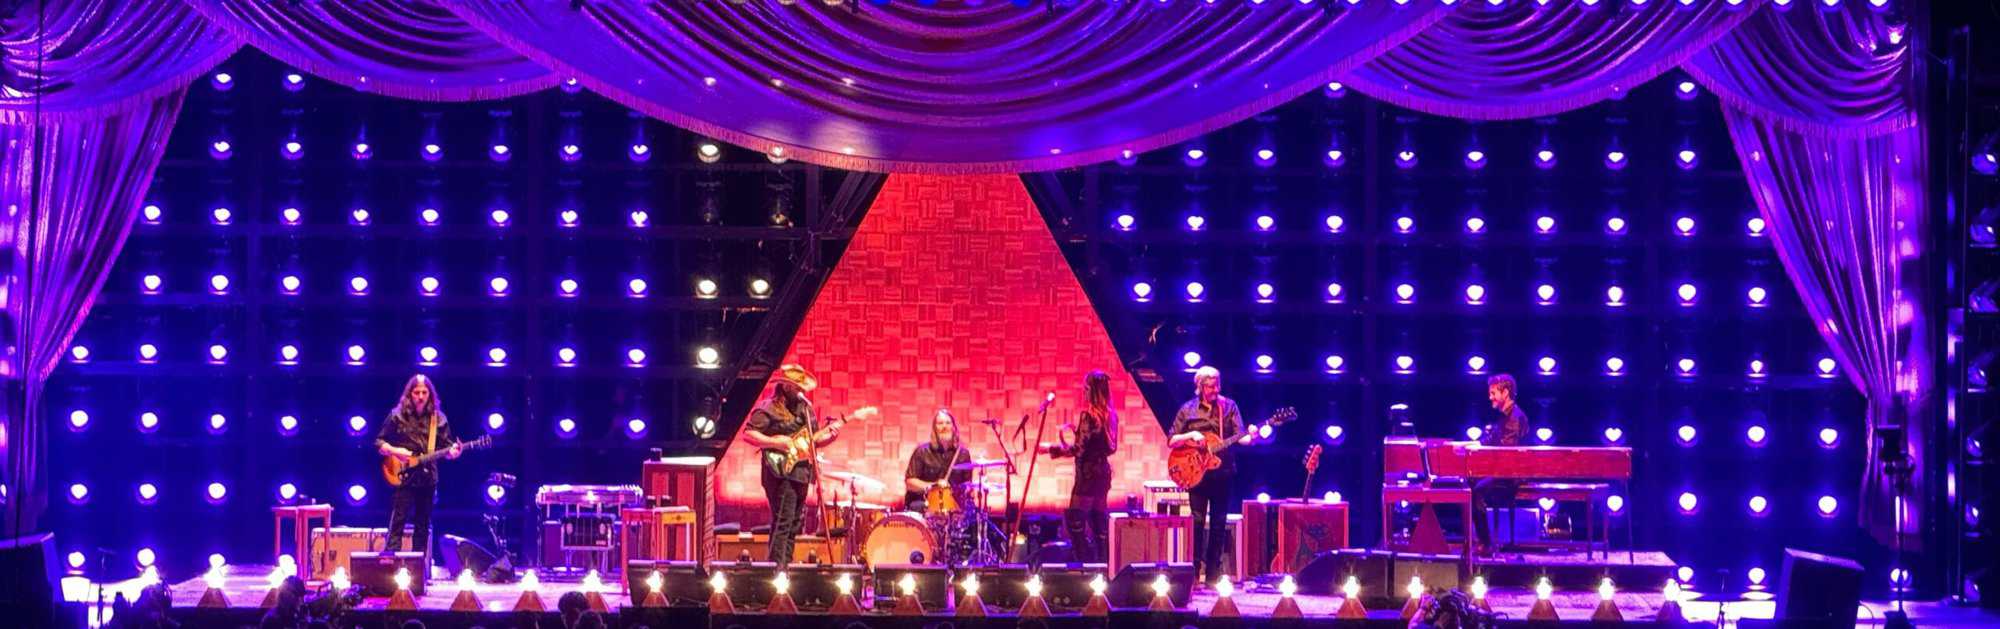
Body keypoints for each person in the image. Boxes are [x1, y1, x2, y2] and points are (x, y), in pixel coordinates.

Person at [742, 364, 874, 564]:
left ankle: (785, 566)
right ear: (786, 387)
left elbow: (814, 441)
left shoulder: (806, 409)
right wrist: (775, 442)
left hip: (802, 472)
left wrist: (831, 437)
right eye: (798, 387)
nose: (802, 391)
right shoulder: (768, 407)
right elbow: (748, 434)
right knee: (783, 521)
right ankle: (776, 569)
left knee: (794, 524)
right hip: (779, 473)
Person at [1166, 366, 1244, 583]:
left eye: (1217, 385)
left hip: (1223, 472)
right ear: (1200, 387)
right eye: (1210, 386)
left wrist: (1254, 435)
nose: (1215, 390)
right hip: (1196, 473)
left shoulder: (1229, 407)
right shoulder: (1188, 409)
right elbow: (1171, 440)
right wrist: (1191, 434)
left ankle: (1212, 575)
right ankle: (1193, 572)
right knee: (1197, 522)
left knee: (1219, 523)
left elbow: (1241, 436)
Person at [374, 374, 463, 554]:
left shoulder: (439, 419)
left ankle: (419, 566)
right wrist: (396, 451)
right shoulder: (397, 416)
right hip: (403, 476)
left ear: (430, 394)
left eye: (424, 392)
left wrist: (454, 453)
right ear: (409, 394)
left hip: (427, 477)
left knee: (422, 525)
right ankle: (390, 563)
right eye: (416, 392)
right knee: (397, 522)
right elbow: (379, 443)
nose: (421, 397)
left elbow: (447, 449)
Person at [1047, 370, 1118, 562]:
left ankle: (1083, 565)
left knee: (1075, 521)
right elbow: (1111, 448)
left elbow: (1079, 449)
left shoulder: (1089, 416)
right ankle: (1102, 565)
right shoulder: (1111, 416)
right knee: (1098, 522)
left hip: (1087, 475)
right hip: (1103, 474)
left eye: (1086, 389)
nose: (1083, 392)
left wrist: (1052, 450)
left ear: (1092, 391)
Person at [1470, 374, 1529, 555]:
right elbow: (1493, 441)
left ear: (1505, 392)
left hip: (1511, 475)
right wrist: (1474, 445)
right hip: (1504, 471)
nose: (1490, 397)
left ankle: (1486, 543)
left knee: (1475, 492)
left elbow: (1507, 453)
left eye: (1493, 393)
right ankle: (1480, 540)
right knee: (1469, 482)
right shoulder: (1505, 416)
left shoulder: (1514, 418)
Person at [903, 409, 973, 513]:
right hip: (923, 501)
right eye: (940, 423)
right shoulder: (921, 452)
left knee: (970, 511)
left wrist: (966, 491)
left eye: (948, 423)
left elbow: (968, 485)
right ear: (934, 428)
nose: (944, 426)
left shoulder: (963, 454)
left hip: (952, 503)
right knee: (919, 506)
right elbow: (910, 483)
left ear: (954, 427)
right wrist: (934, 486)